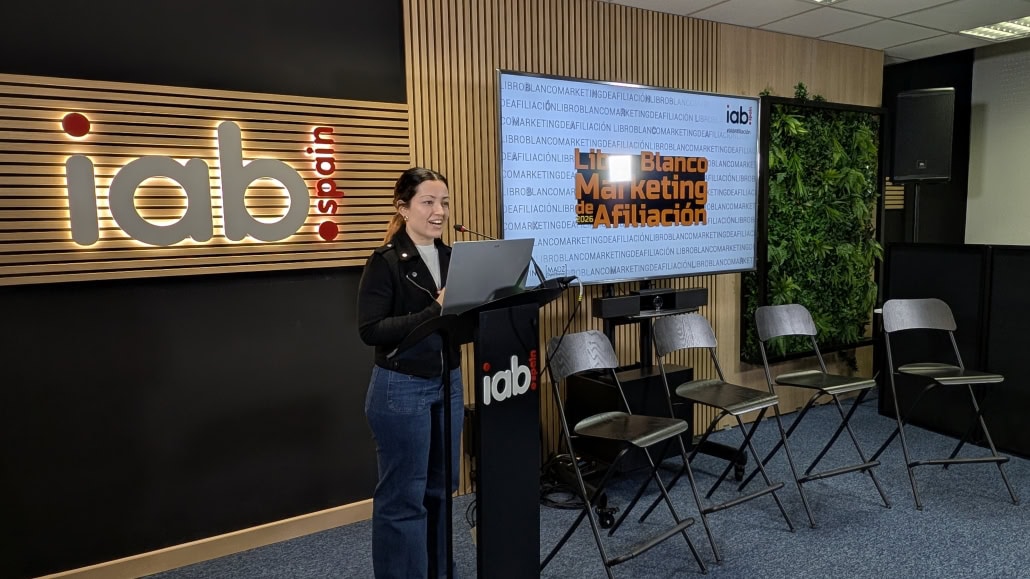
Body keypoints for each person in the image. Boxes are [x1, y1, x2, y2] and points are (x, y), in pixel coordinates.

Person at [357, 167, 463, 579]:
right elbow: (371, 330)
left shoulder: (454, 259)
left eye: (445, 203)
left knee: (441, 490)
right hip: (401, 388)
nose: (440, 212)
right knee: (403, 498)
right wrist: (434, 310)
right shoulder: (385, 262)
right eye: (428, 202)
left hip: (448, 382)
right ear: (402, 208)